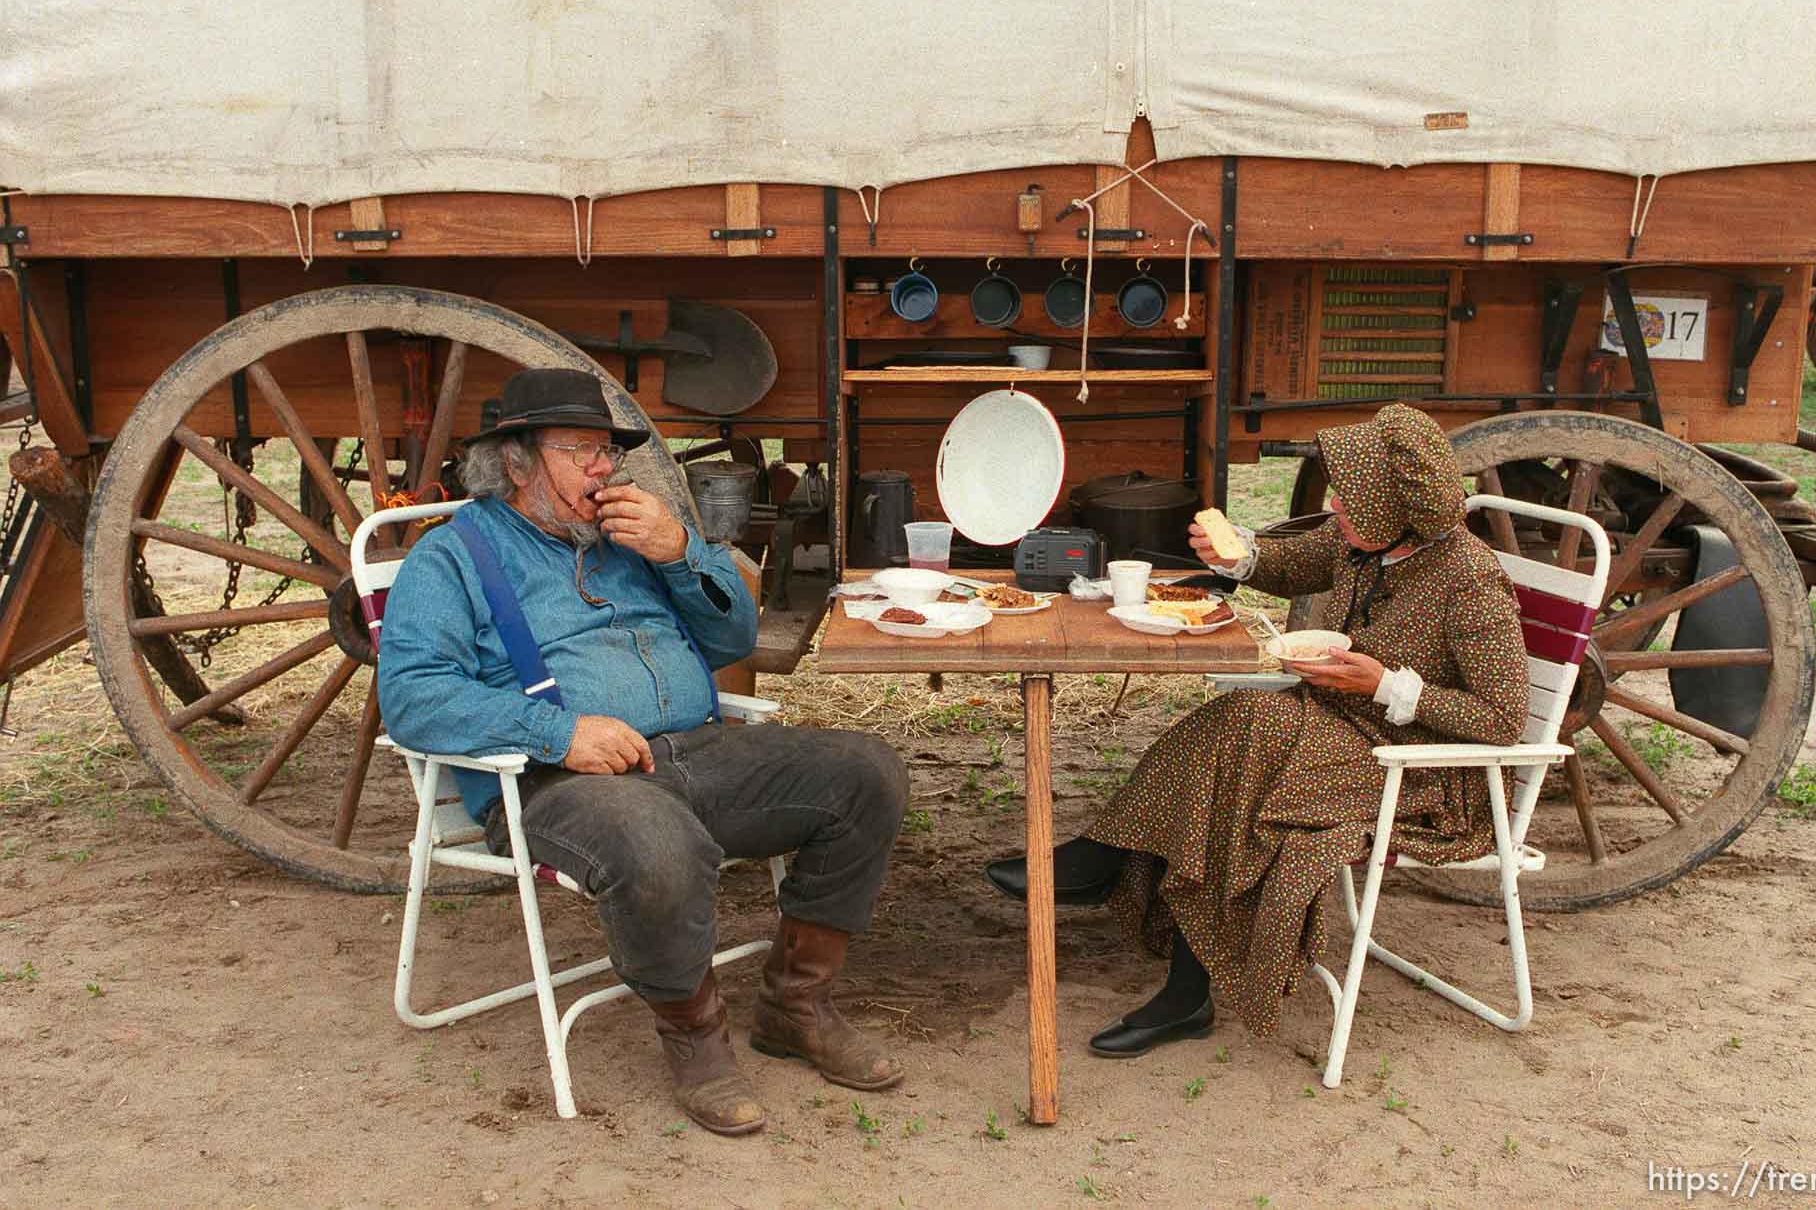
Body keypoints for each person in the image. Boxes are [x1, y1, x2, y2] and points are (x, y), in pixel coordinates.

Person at [377, 368, 910, 1137]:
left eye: (608, 452)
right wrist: (559, 733)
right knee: (654, 839)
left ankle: (796, 1005)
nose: (605, 468)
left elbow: (732, 641)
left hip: (694, 750)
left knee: (866, 771)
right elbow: (414, 696)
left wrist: (680, 550)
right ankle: (694, 1038)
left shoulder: (627, 538)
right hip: (552, 781)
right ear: (519, 460)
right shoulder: (452, 558)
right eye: (584, 450)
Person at [986, 404, 1528, 1055]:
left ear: (1395, 510)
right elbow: (1290, 561)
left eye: (1350, 498)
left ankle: (1180, 985)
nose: (1334, 504)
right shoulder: (1367, 541)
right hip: (1339, 722)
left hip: (1418, 767)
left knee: (1248, 793)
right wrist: (1237, 556)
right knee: (1231, 723)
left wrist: (1383, 684)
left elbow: (1501, 720)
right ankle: (1106, 858)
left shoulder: (1468, 584)